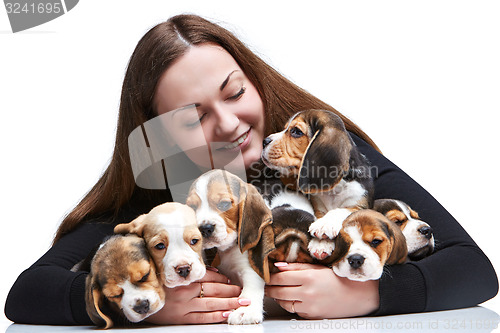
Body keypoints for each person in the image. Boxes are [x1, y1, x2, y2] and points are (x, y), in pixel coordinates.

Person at [5, 14, 498, 325]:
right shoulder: (155, 202)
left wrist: (369, 295)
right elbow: (26, 293)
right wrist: (152, 305)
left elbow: (475, 270)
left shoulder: (326, 156)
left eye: (235, 92)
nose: (229, 124)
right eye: (193, 118)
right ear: (158, 137)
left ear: (255, 81)